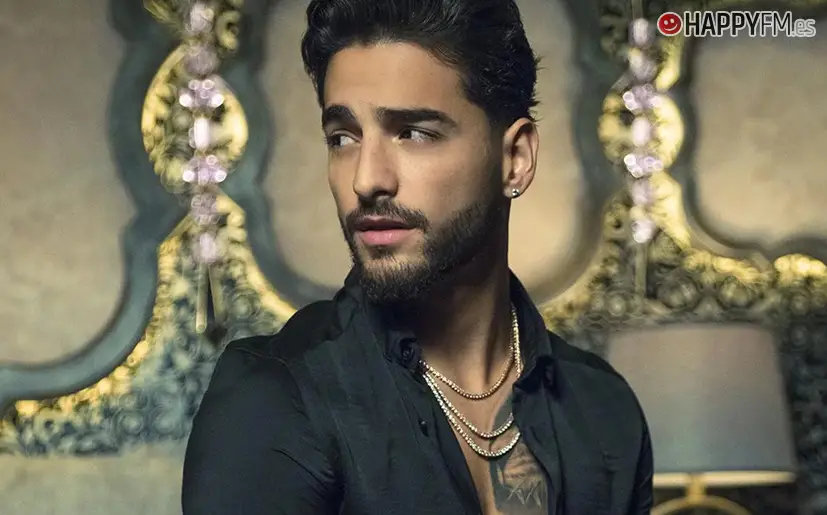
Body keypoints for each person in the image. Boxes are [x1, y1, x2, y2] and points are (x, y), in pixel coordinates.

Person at [181, 0, 653, 513]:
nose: (366, 180)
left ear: (515, 159)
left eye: (413, 133)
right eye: (343, 137)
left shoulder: (604, 412)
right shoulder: (275, 398)